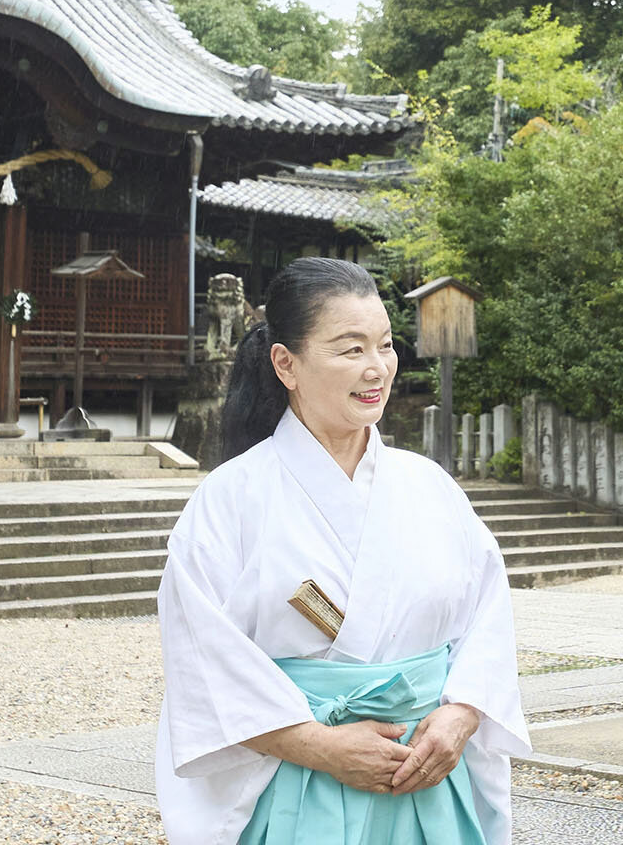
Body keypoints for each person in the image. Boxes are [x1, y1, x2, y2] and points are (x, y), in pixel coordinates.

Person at [155, 257, 529, 844]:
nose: (376, 367)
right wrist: (320, 746)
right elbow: (201, 656)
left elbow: (488, 617)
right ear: (286, 364)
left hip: (427, 773)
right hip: (296, 779)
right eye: (351, 349)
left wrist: (463, 713)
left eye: (385, 345)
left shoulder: (429, 486)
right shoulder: (230, 498)